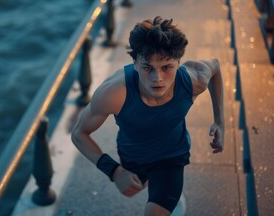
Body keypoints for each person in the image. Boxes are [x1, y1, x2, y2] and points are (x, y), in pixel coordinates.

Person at [71, 16, 224, 216]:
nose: (157, 78)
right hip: (133, 156)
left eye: (166, 67)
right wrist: (115, 171)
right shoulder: (113, 93)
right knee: (138, 186)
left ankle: (171, 198)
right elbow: (79, 134)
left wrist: (220, 122)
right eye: (147, 68)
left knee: (159, 204)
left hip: (172, 156)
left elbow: (216, 66)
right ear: (135, 63)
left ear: (178, 62)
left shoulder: (193, 81)